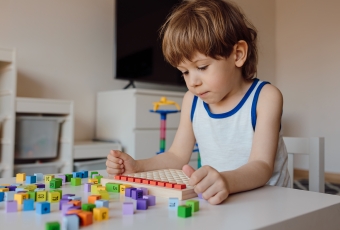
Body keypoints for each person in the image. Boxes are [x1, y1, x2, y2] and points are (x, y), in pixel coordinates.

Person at [106, 0, 290, 205]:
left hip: (271, 202)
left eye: (202, 67)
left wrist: (226, 181)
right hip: (222, 200)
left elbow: (262, 165)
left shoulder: (265, 96)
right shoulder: (191, 101)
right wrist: (137, 166)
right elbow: (176, 156)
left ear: (238, 54)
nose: (192, 82)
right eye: (184, 72)